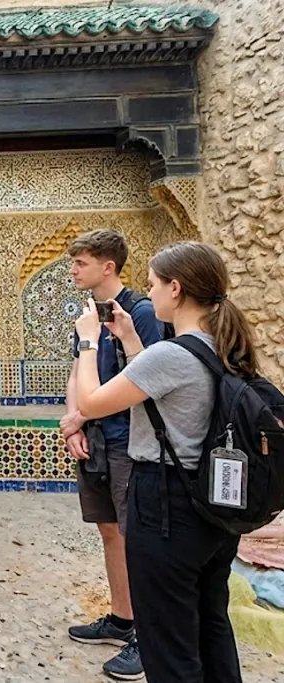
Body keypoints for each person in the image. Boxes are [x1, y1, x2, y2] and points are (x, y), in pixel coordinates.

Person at [74, 241, 256, 683]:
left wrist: (87, 342)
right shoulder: (221, 346)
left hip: (167, 504)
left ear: (176, 289)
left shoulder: (172, 354)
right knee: (209, 623)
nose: (149, 293)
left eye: (154, 285)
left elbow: (93, 402)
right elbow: (162, 394)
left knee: (167, 640)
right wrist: (132, 341)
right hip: (212, 503)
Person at [61, 230, 164, 681]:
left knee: (137, 535)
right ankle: (122, 618)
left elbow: (145, 381)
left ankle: (151, 635)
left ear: (108, 267)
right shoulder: (89, 317)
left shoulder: (140, 313)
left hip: (130, 441)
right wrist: (74, 421)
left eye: (81, 263)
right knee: (110, 532)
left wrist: (83, 415)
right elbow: (77, 370)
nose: (73, 271)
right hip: (98, 438)